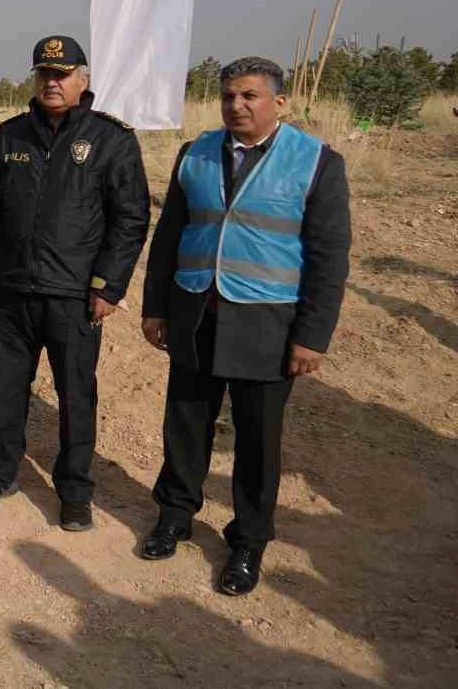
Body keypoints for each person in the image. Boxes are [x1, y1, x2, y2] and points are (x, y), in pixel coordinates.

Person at [139, 56, 350, 596]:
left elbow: (329, 259)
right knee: (186, 422)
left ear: (279, 102)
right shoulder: (195, 153)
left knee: (258, 439)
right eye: (229, 96)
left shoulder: (316, 162)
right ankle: (175, 515)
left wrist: (312, 337)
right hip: (196, 312)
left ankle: (249, 541)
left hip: (268, 323)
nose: (236, 105)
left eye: (249, 96)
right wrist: (155, 307)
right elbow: (169, 237)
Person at [0, 36, 150, 528]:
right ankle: (1, 471)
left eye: (62, 74)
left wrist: (107, 286)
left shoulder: (111, 140)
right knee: (8, 387)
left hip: (74, 296)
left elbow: (130, 219)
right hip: (14, 290)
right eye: (44, 73)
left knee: (75, 396)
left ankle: (74, 490)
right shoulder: (10, 137)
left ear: (82, 80)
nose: (52, 82)